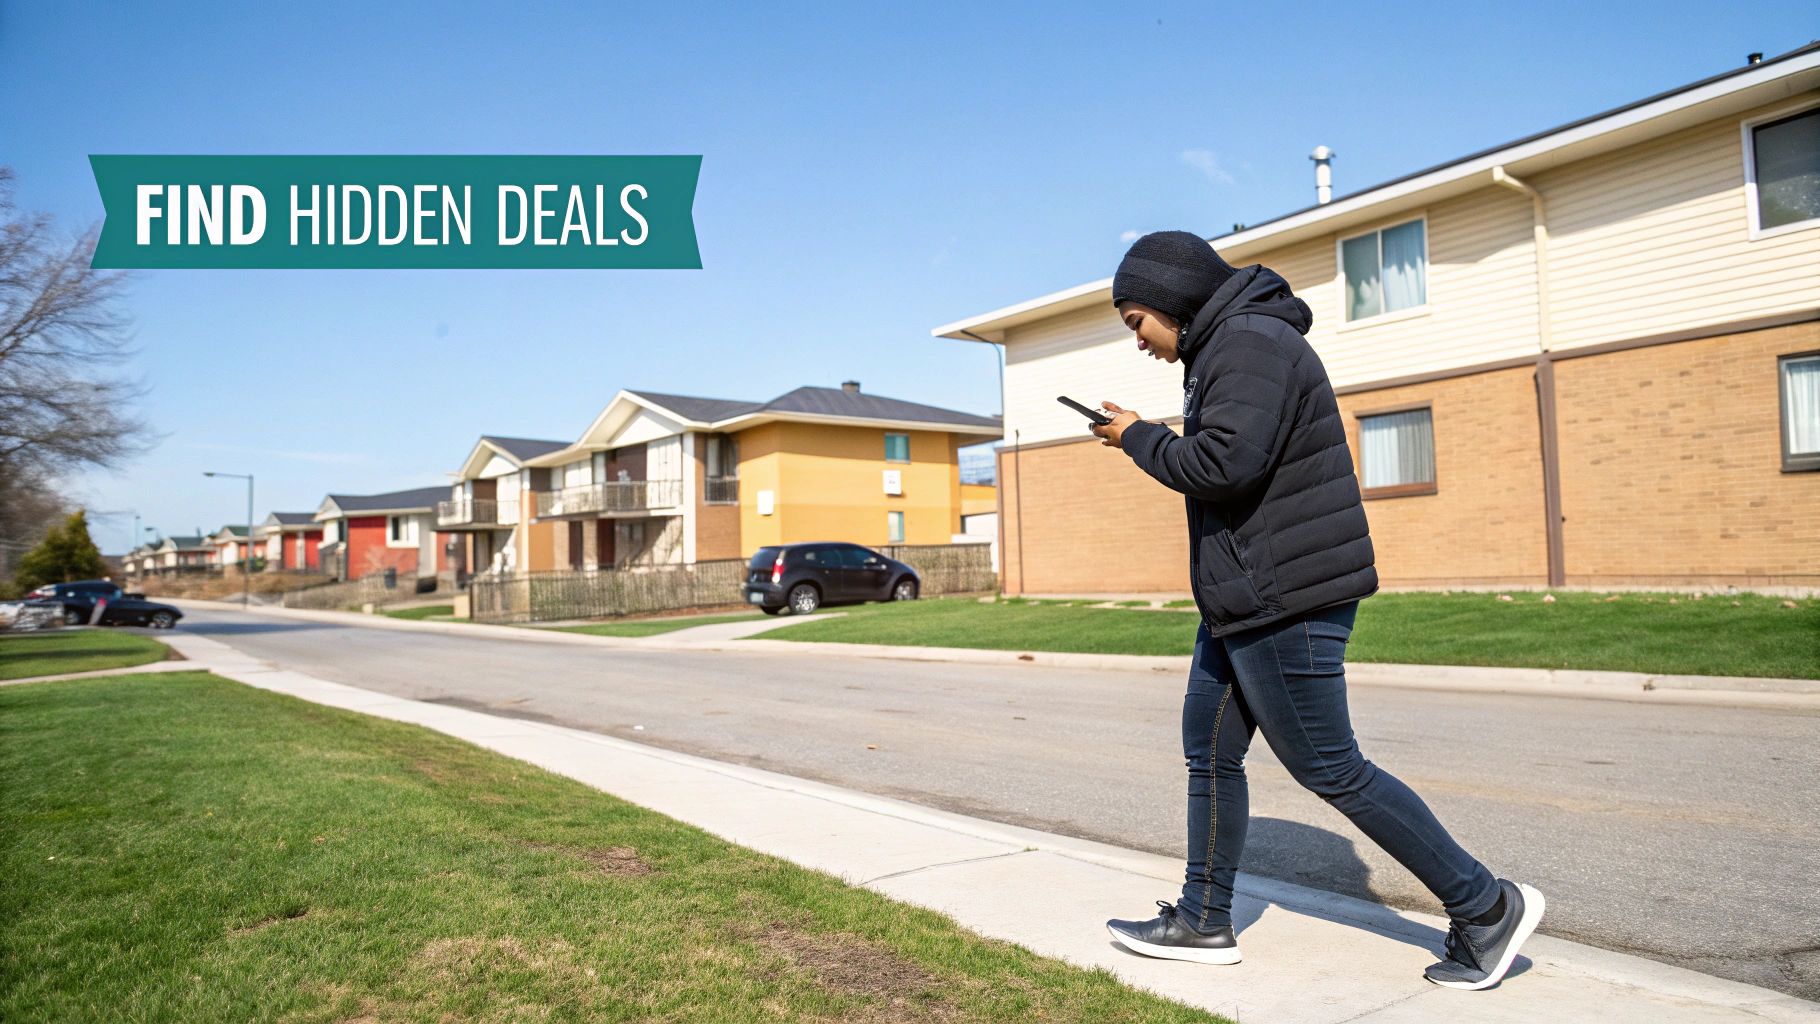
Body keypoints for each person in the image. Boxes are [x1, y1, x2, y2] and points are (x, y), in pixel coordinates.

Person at [1091, 230, 1543, 990]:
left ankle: (1487, 906)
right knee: (1208, 747)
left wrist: (1139, 438)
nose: (1138, 340)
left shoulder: (1248, 343)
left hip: (1285, 598)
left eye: (1137, 321)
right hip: (1243, 601)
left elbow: (1224, 465)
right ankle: (1203, 920)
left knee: (1333, 769)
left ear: (1171, 300)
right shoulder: (1226, 347)